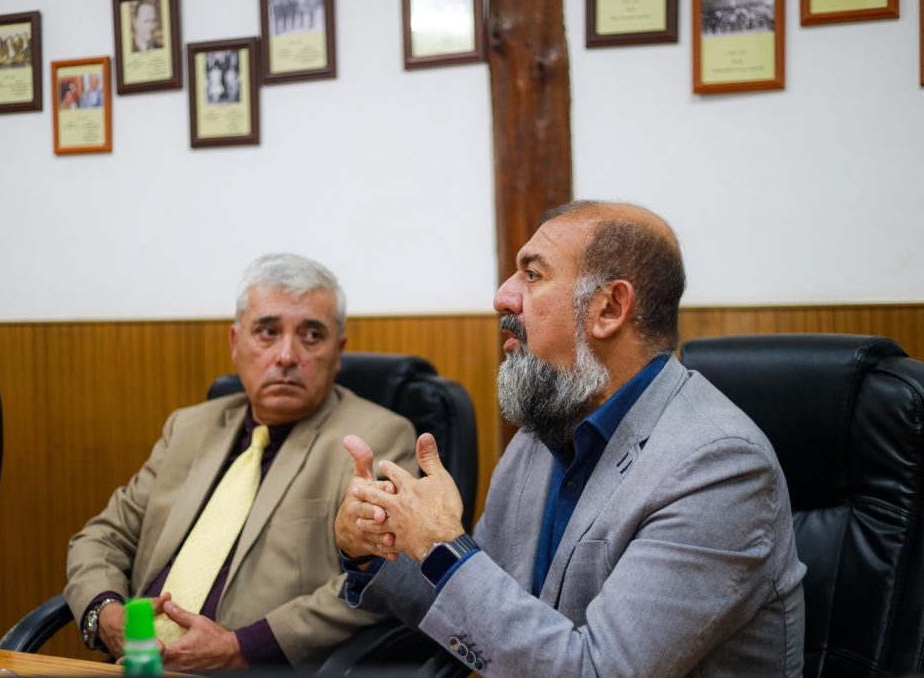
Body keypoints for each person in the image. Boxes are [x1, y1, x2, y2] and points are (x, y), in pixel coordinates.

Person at [336, 200, 806, 677]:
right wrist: (375, 548)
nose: (503, 296)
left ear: (609, 309)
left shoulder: (720, 466)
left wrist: (444, 544)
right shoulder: (541, 432)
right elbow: (482, 620)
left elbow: (596, 670)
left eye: (532, 275)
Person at [65, 254, 417, 672]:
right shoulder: (188, 427)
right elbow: (103, 538)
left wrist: (241, 647)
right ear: (235, 343)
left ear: (337, 351)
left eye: (311, 335)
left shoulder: (374, 439)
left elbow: (380, 582)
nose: (286, 355)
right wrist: (105, 612)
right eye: (267, 332)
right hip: (132, 664)